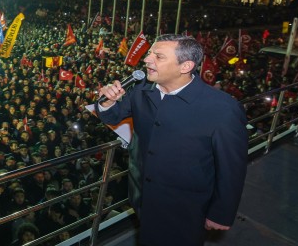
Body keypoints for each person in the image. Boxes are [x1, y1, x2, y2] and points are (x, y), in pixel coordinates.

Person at [96, 34, 248, 246]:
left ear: (185, 66)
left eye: (158, 56)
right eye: (150, 53)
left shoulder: (222, 109)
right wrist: (107, 102)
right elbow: (113, 115)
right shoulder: (141, 91)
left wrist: (221, 212)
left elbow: (232, 167)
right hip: (143, 196)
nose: (147, 59)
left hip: (186, 206)